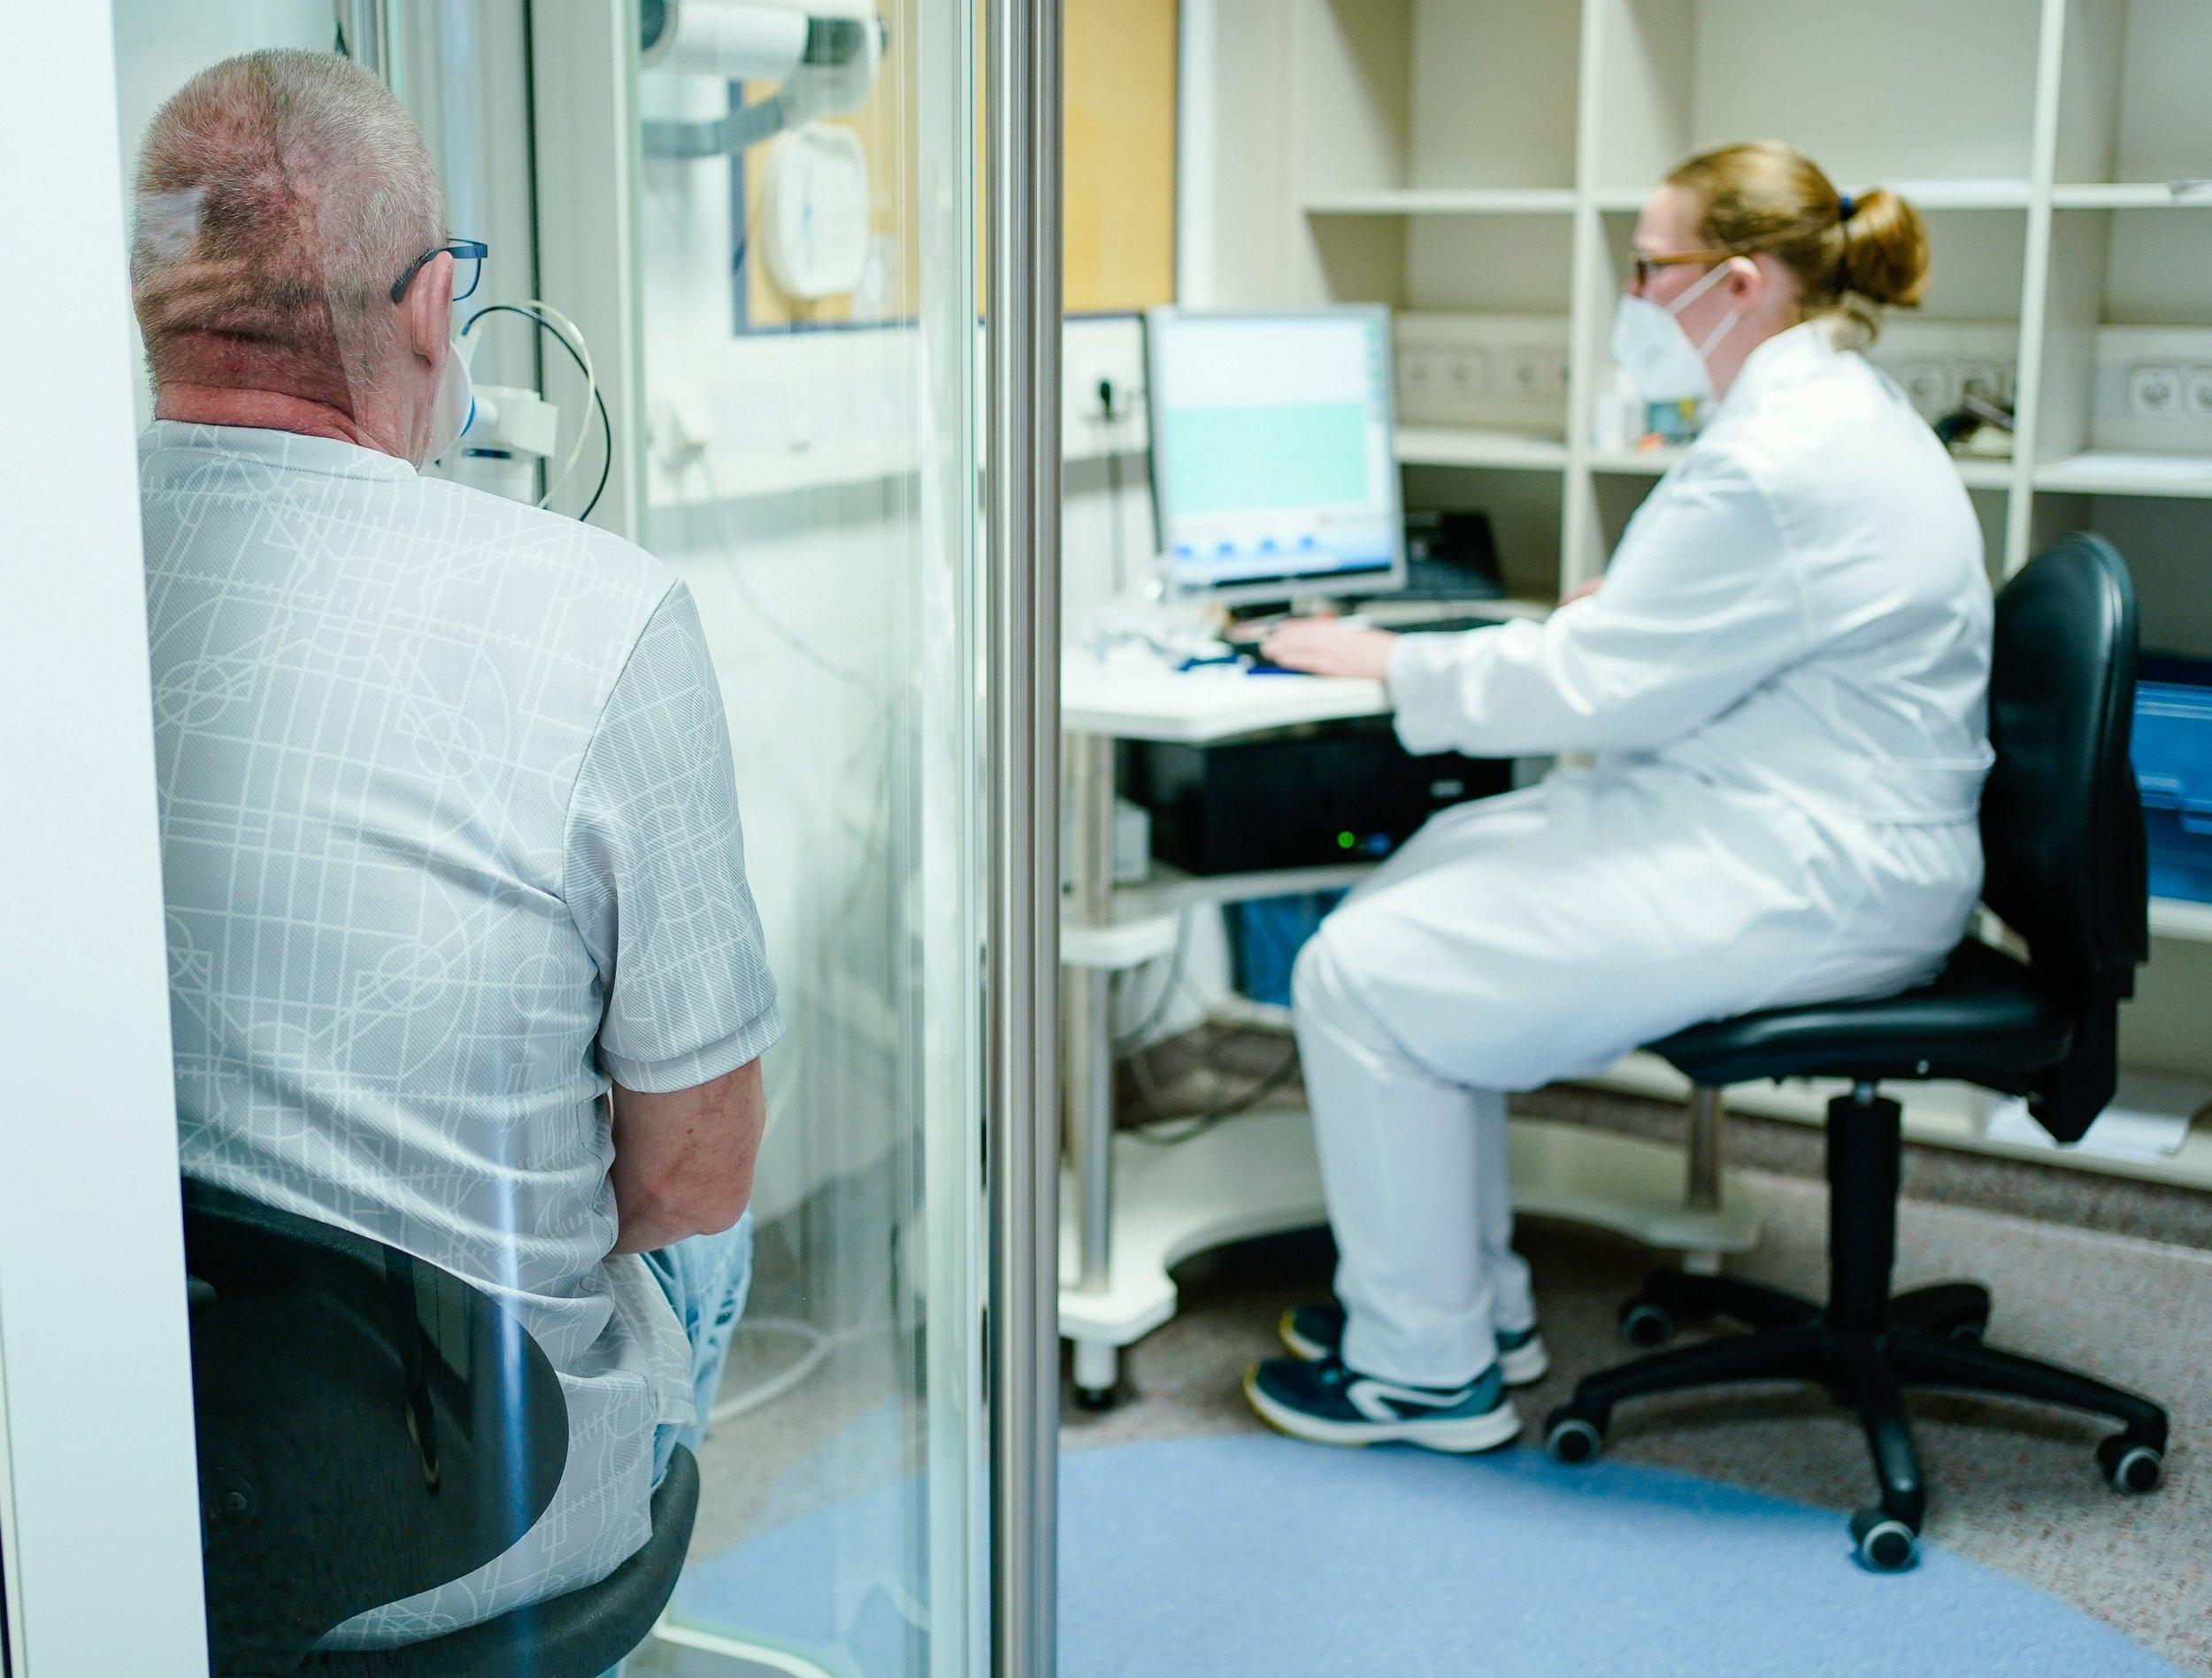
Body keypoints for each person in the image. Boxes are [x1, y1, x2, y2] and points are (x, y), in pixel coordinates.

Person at [134, 50, 781, 1648]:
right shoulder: (604, 613)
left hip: (130, 1463)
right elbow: (692, 1171)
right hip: (462, 1498)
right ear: (432, 309)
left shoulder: (48, 574)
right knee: (716, 1223)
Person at [1243, 142, 1993, 1451]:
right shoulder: (1821, 410)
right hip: (1790, 813)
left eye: (1652, 267)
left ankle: (1424, 1369)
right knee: (1423, 878)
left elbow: (1591, 689)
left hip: (1812, 865)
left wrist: (1387, 658)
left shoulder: (1780, 454)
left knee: (1363, 973)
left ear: (1742, 282)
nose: (1634, 293)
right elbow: (1690, 632)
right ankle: (1468, 1305)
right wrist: (1631, 619)